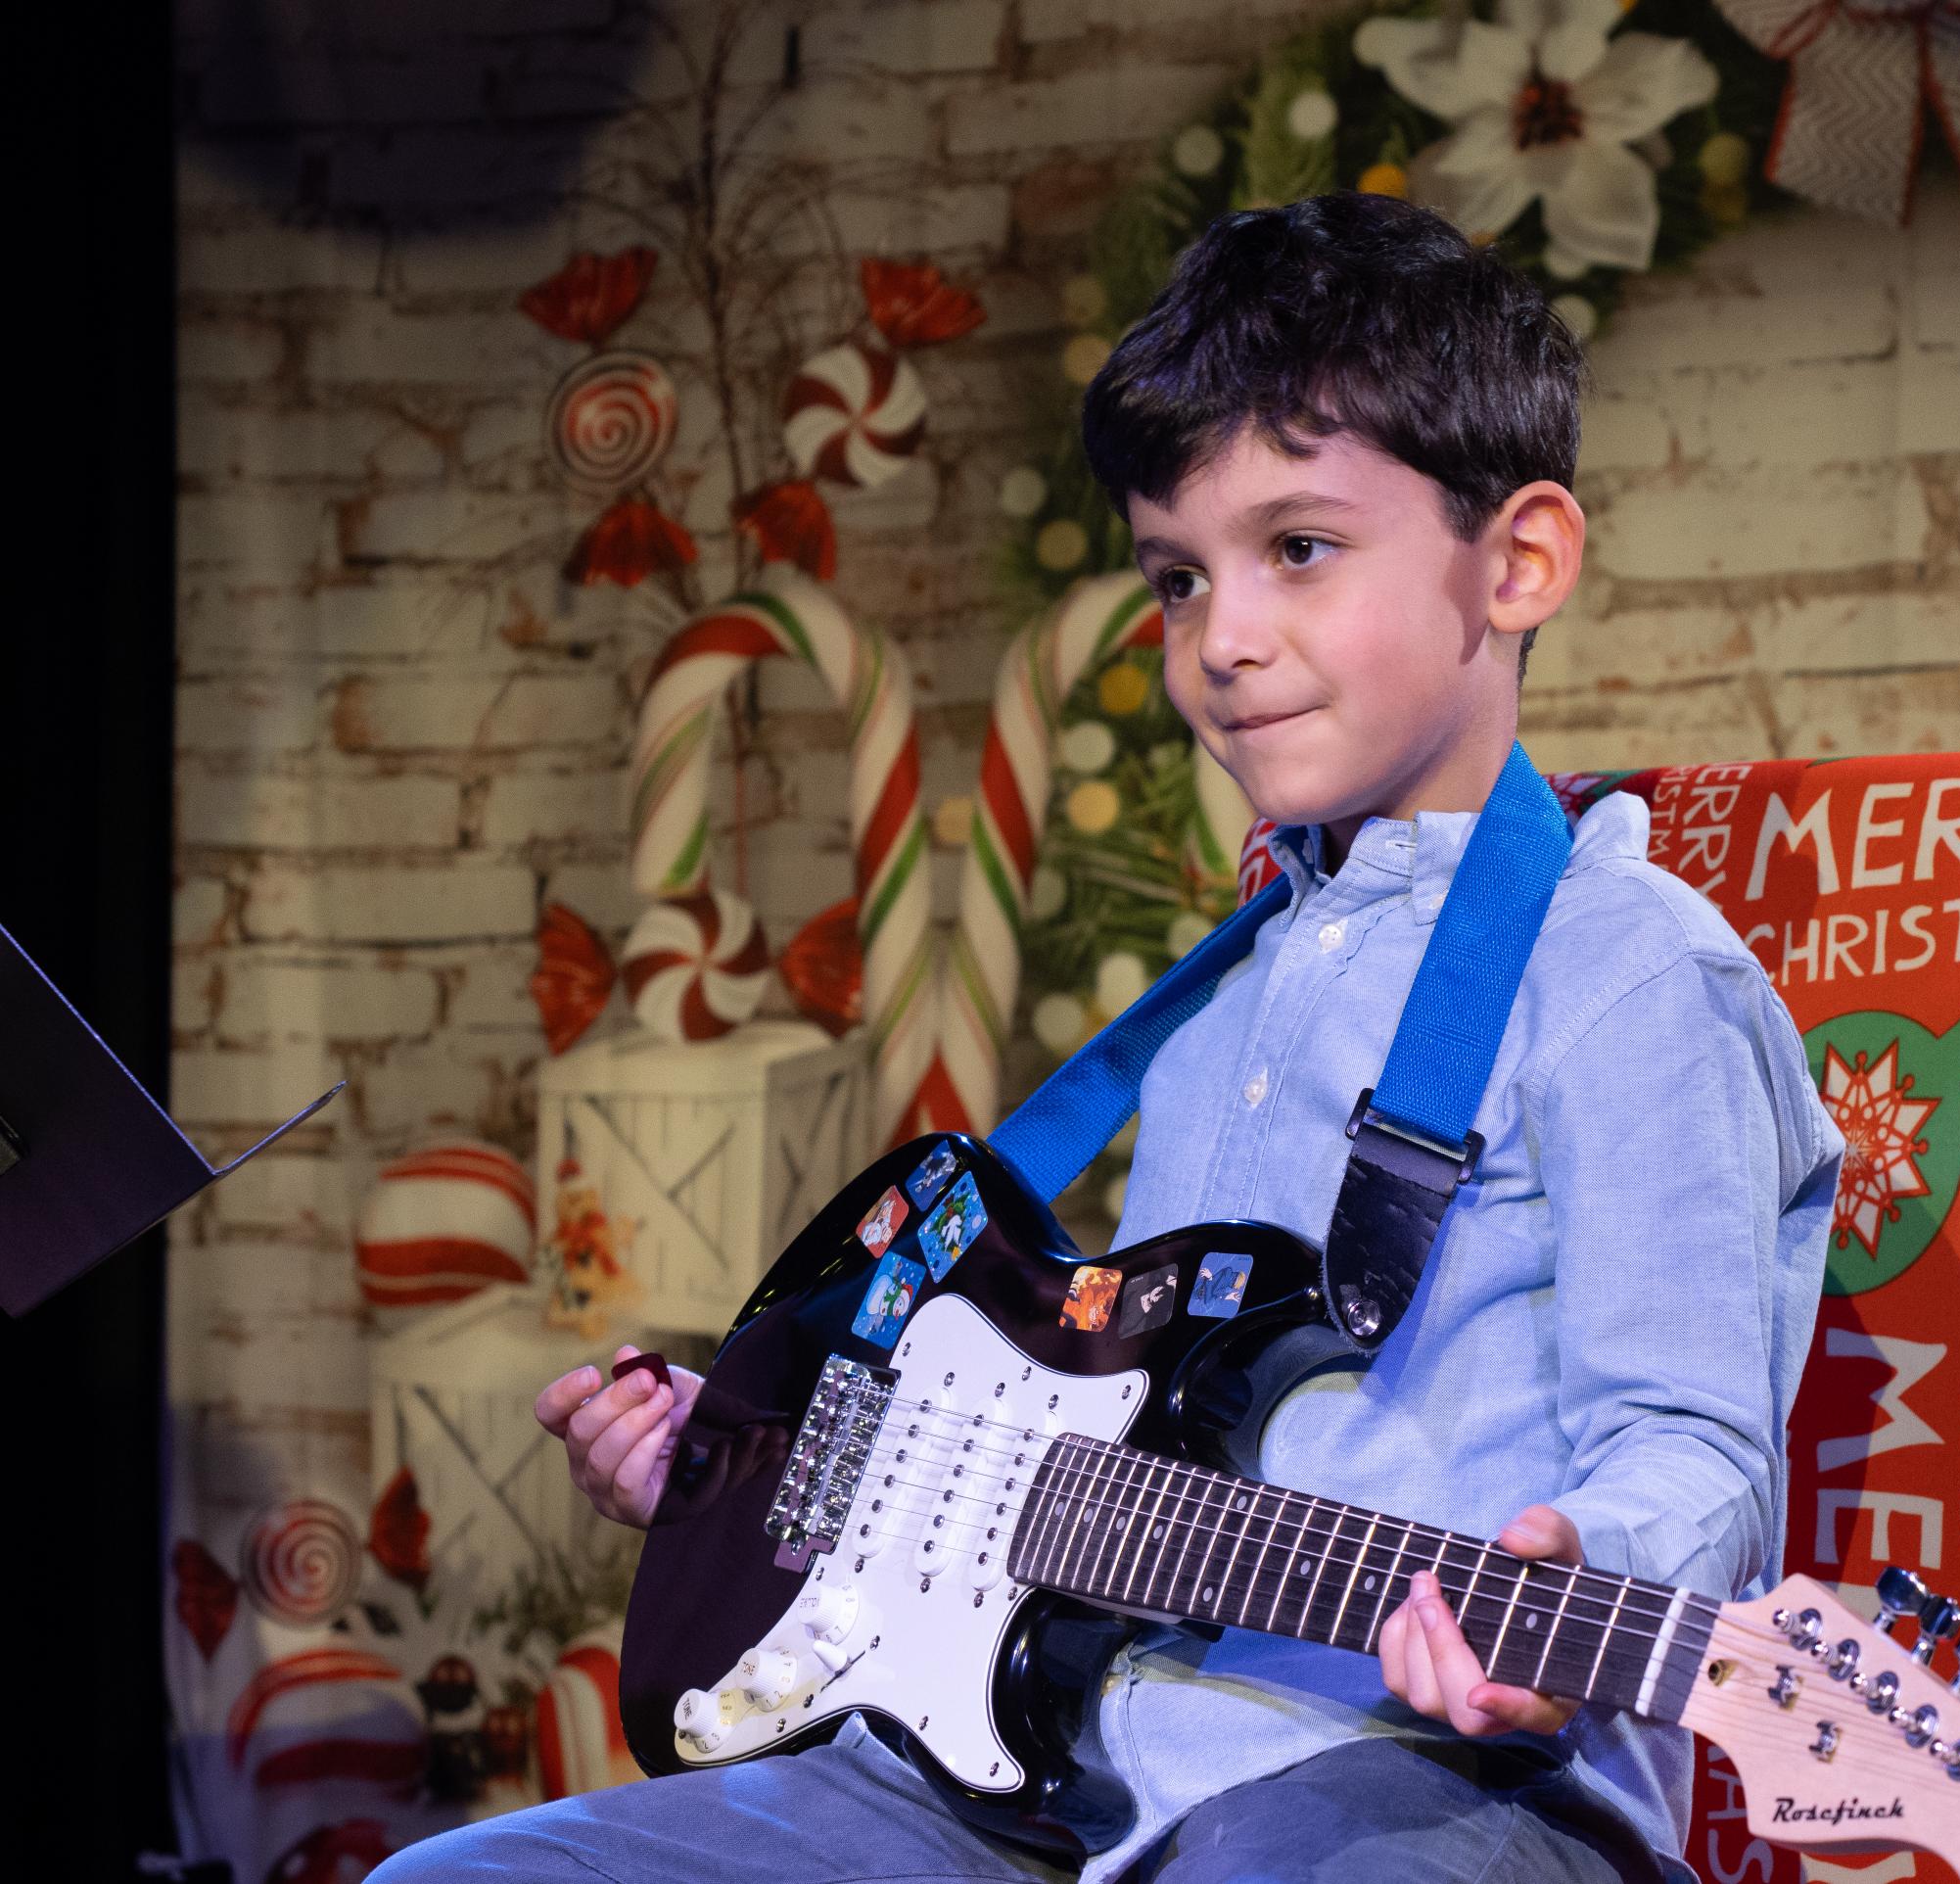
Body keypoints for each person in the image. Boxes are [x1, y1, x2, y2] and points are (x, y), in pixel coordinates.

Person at [384, 192, 1842, 1884]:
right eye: (1175, 577)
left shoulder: (1636, 974)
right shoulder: (1235, 982)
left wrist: (1575, 1564)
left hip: (1420, 1791)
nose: (1220, 640)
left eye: (1298, 548)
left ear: (1515, 562)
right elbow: (1081, 1414)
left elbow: (1701, 1454)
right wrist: (737, 1468)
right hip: (1054, 1754)